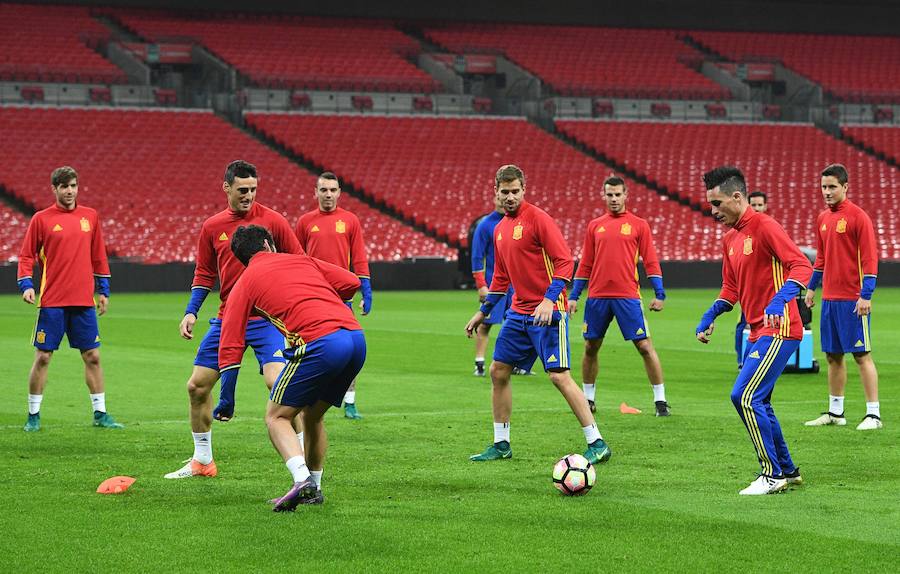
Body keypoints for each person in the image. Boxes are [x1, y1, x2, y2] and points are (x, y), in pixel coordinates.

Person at [165, 160, 303, 479]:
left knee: (279, 384)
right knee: (197, 387)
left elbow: (299, 262)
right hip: (228, 319)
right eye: (243, 190)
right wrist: (191, 310)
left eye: (254, 189)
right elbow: (204, 273)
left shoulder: (274, 221)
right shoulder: (212, 227)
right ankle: (203, 460)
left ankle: (303, 459)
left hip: (268, 319)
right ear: (226, 187)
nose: (249, 196)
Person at [465, 164, 611, 465]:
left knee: (559, 376)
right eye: (504, 192)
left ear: (524, 190)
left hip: (550, 311)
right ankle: (501, 443)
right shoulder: (499, 230)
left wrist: (548, 299)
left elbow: (564, 262)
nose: (509, 197)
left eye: (515, 191)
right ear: (496, 192)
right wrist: (483, 312)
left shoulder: (538, 219)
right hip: (518, 312)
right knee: (498, 371)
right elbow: (501, 280)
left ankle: (597, 442)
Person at [221, 225, 365, 510]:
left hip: (320, 344)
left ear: (240, 258)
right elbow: (350, 281)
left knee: (276, 417)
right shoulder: (302, 259)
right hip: (356, 338)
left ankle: (301, 480)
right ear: (268, 243)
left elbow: (230, 341)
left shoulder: (245, 282)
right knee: (312, 416)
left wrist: (226, 398)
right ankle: (315, 488)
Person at [695, 166, 811, 495]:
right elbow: (730, 289)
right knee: (760, 400)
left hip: (782, 326)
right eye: (710, 204)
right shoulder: (730, 238)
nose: (713, 210)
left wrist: (779, 301)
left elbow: (801, 265)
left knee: (744, 396)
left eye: (717, 203)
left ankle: (771, 474)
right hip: (757, 331)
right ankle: (788, 470)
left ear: (737, 196)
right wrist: (711, 314)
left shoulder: (764, 226)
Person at [16, 165, 123, 431]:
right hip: (52, 301)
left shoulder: (90, 217)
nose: (70, 191)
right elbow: (27, 255)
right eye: (64, 186)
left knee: (93, 357)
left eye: (73, 186)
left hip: (83, 302)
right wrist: (26, 284)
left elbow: (98, 255)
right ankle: (33, 415)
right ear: (54, 189)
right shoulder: (41, 219)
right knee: (43, 357)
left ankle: (100, 414)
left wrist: (104, 291)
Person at [567, 176, 669, 416]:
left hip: (628, 296)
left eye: (617, 194)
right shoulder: (595, 225)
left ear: (626, 196)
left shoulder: (638, 224)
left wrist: (659, 293)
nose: (613, 199)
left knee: (644, 346)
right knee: (591, 346)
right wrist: (574, 296)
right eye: (609, 195)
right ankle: (588, 399)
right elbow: (586, 264)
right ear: (604, 196)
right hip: (598, 297)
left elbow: (650, 260)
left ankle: (661, 400)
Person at [803, 164, 881, 430]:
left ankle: (874, 414)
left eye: (832, 186)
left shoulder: (859, 217)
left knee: (861, 355)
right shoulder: (823, 218)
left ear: (845, 187)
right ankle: (836, 412)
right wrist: (812, 287)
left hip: (853, 300)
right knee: (833, 356)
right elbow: (821, 258)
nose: (827, 191)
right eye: (824, 187)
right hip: (830, 300)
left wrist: (866, 295)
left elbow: (870, 258)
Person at [295, 172, 371, 419]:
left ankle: (349, 401)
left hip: (342, 297)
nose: (328, 194)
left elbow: (358, 256)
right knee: (310, 348)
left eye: (333, 190)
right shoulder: (305, 222)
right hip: (313, 296)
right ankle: (309, 396)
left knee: (350, 349)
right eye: (324, 190)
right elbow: (296, 259)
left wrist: (366, 290)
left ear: (339, 192)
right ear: (315, 192)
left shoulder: (350, 220)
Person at [470, 195, 508, 377]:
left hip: (517, 286)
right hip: (494, 285)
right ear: (495, 198)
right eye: (500, 197)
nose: (503, 201)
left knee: (520, 323)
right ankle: (479, 362)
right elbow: (477, 256)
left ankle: (516, 363)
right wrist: (481, 285)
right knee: (485, 324)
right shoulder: (485, 225)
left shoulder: (517, 223)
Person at [735, 191, 769, 367]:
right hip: (749, 290)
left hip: (768, 290)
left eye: (759, 205)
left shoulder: (770, 229)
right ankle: (742, 359)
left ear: (765, 206)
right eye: (753, 205)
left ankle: (761, 359)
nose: (756, 208)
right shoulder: (741, 233)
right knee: (744, 322)